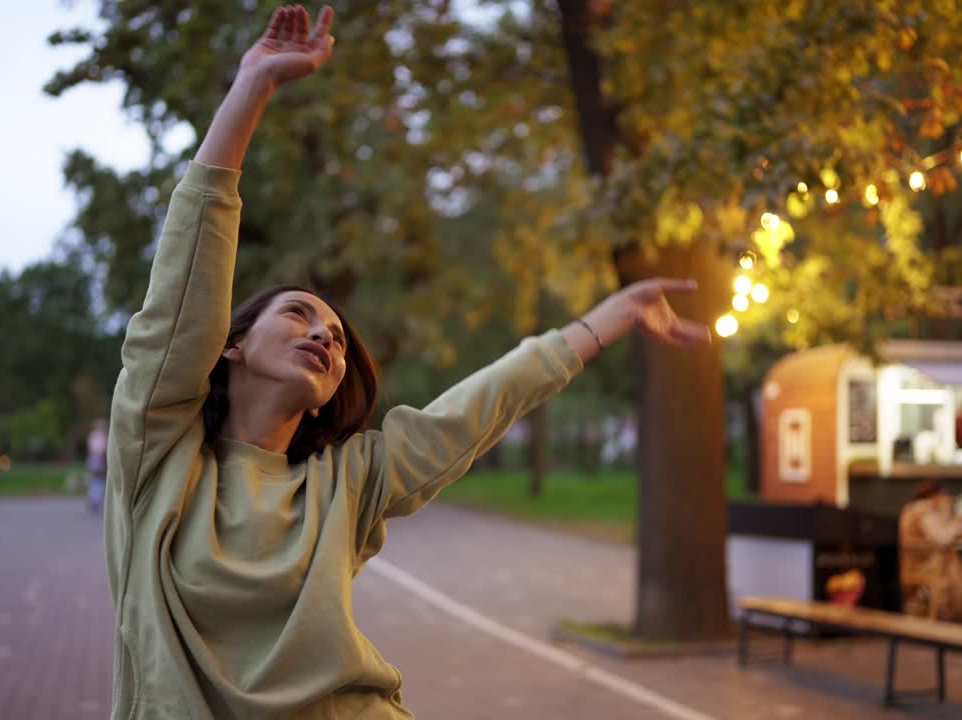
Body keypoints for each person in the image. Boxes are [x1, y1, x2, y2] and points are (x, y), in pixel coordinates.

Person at [102, 6, 710, 718]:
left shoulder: (348, 480)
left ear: (330, 396)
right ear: (230, 346)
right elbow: (185, 285)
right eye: (298, 314)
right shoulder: (158, 459)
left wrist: (612, 317)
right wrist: (254, 86)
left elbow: (480, 409)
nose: (326, 335)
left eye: (335, 335)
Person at [898, 480, 962, 618]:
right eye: (943, 495)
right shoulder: (924, 511)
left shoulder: (911, 509)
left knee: (950, 559)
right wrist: (956, 518)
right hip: (925, 566)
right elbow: (943, 538)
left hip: (911, 565)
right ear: (937, 495)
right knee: (951, 560)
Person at [86, 419, 107, 512]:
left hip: (95, 461)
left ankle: (94, 498)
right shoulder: (99, 436)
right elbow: (99, 450)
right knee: (99, 480)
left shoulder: (93, 436)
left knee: (97, 480)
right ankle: (95, 499)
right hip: (99, 461)